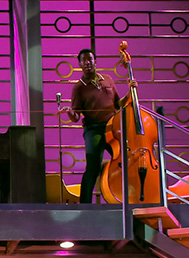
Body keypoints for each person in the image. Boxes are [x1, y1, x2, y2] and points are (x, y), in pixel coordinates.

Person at [58, 49, 136, 203]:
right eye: (84, 60)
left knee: (126, 161)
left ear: (95, 61)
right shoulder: (78, 88)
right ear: (80, 64)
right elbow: (76, 117)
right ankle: (85, 205)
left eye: (90, 59)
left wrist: (130, 91)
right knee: (93, 168)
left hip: (112, 128)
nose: (87, 62)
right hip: (94, 130)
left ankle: (127, 199)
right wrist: (69, 112)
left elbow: (118, 104)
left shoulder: (107, 79)